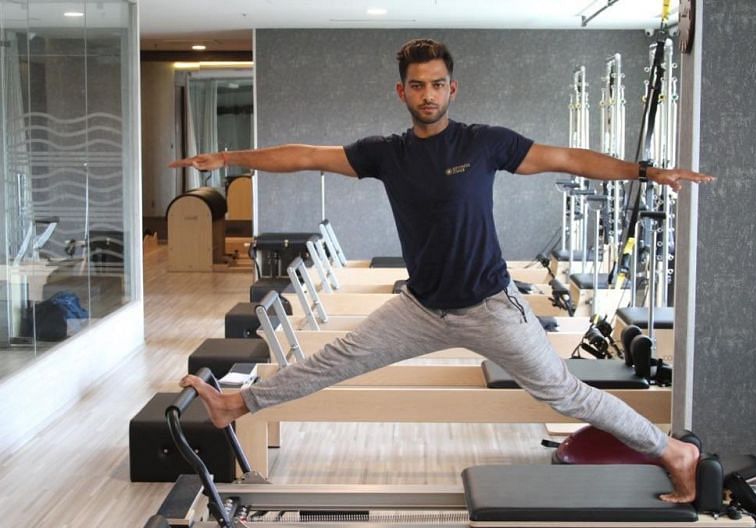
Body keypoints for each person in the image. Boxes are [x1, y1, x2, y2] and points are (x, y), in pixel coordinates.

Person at [171, 38, 714, 503]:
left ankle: (675, 452)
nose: (427, 94)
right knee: (338, 360)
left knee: (567, 395)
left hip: (490, 306)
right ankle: (234, 404)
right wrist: (228, 158)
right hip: (422, 307)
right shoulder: (385, 154)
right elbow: (308, 155)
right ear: (401, 92)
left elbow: (568, 159)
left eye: (437, 84)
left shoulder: (483, 143)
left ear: (451, 89)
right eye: (417, 85)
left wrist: (647, 171)